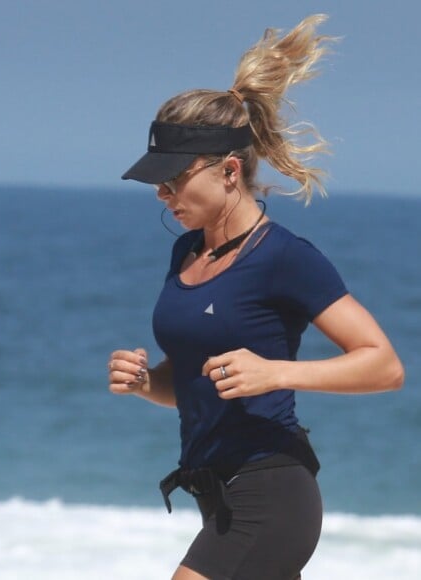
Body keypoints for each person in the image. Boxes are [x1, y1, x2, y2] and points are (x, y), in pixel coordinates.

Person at [107, 13, 404, 580]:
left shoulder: (285, 256)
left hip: (271, 489)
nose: (163, 194)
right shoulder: (187, 253)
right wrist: (149, 384)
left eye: (174, 179)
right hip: (215, 496)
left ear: (229, 170)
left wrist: (277, 373)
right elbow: (194, 381)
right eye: (157, 183)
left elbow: (384, 366)